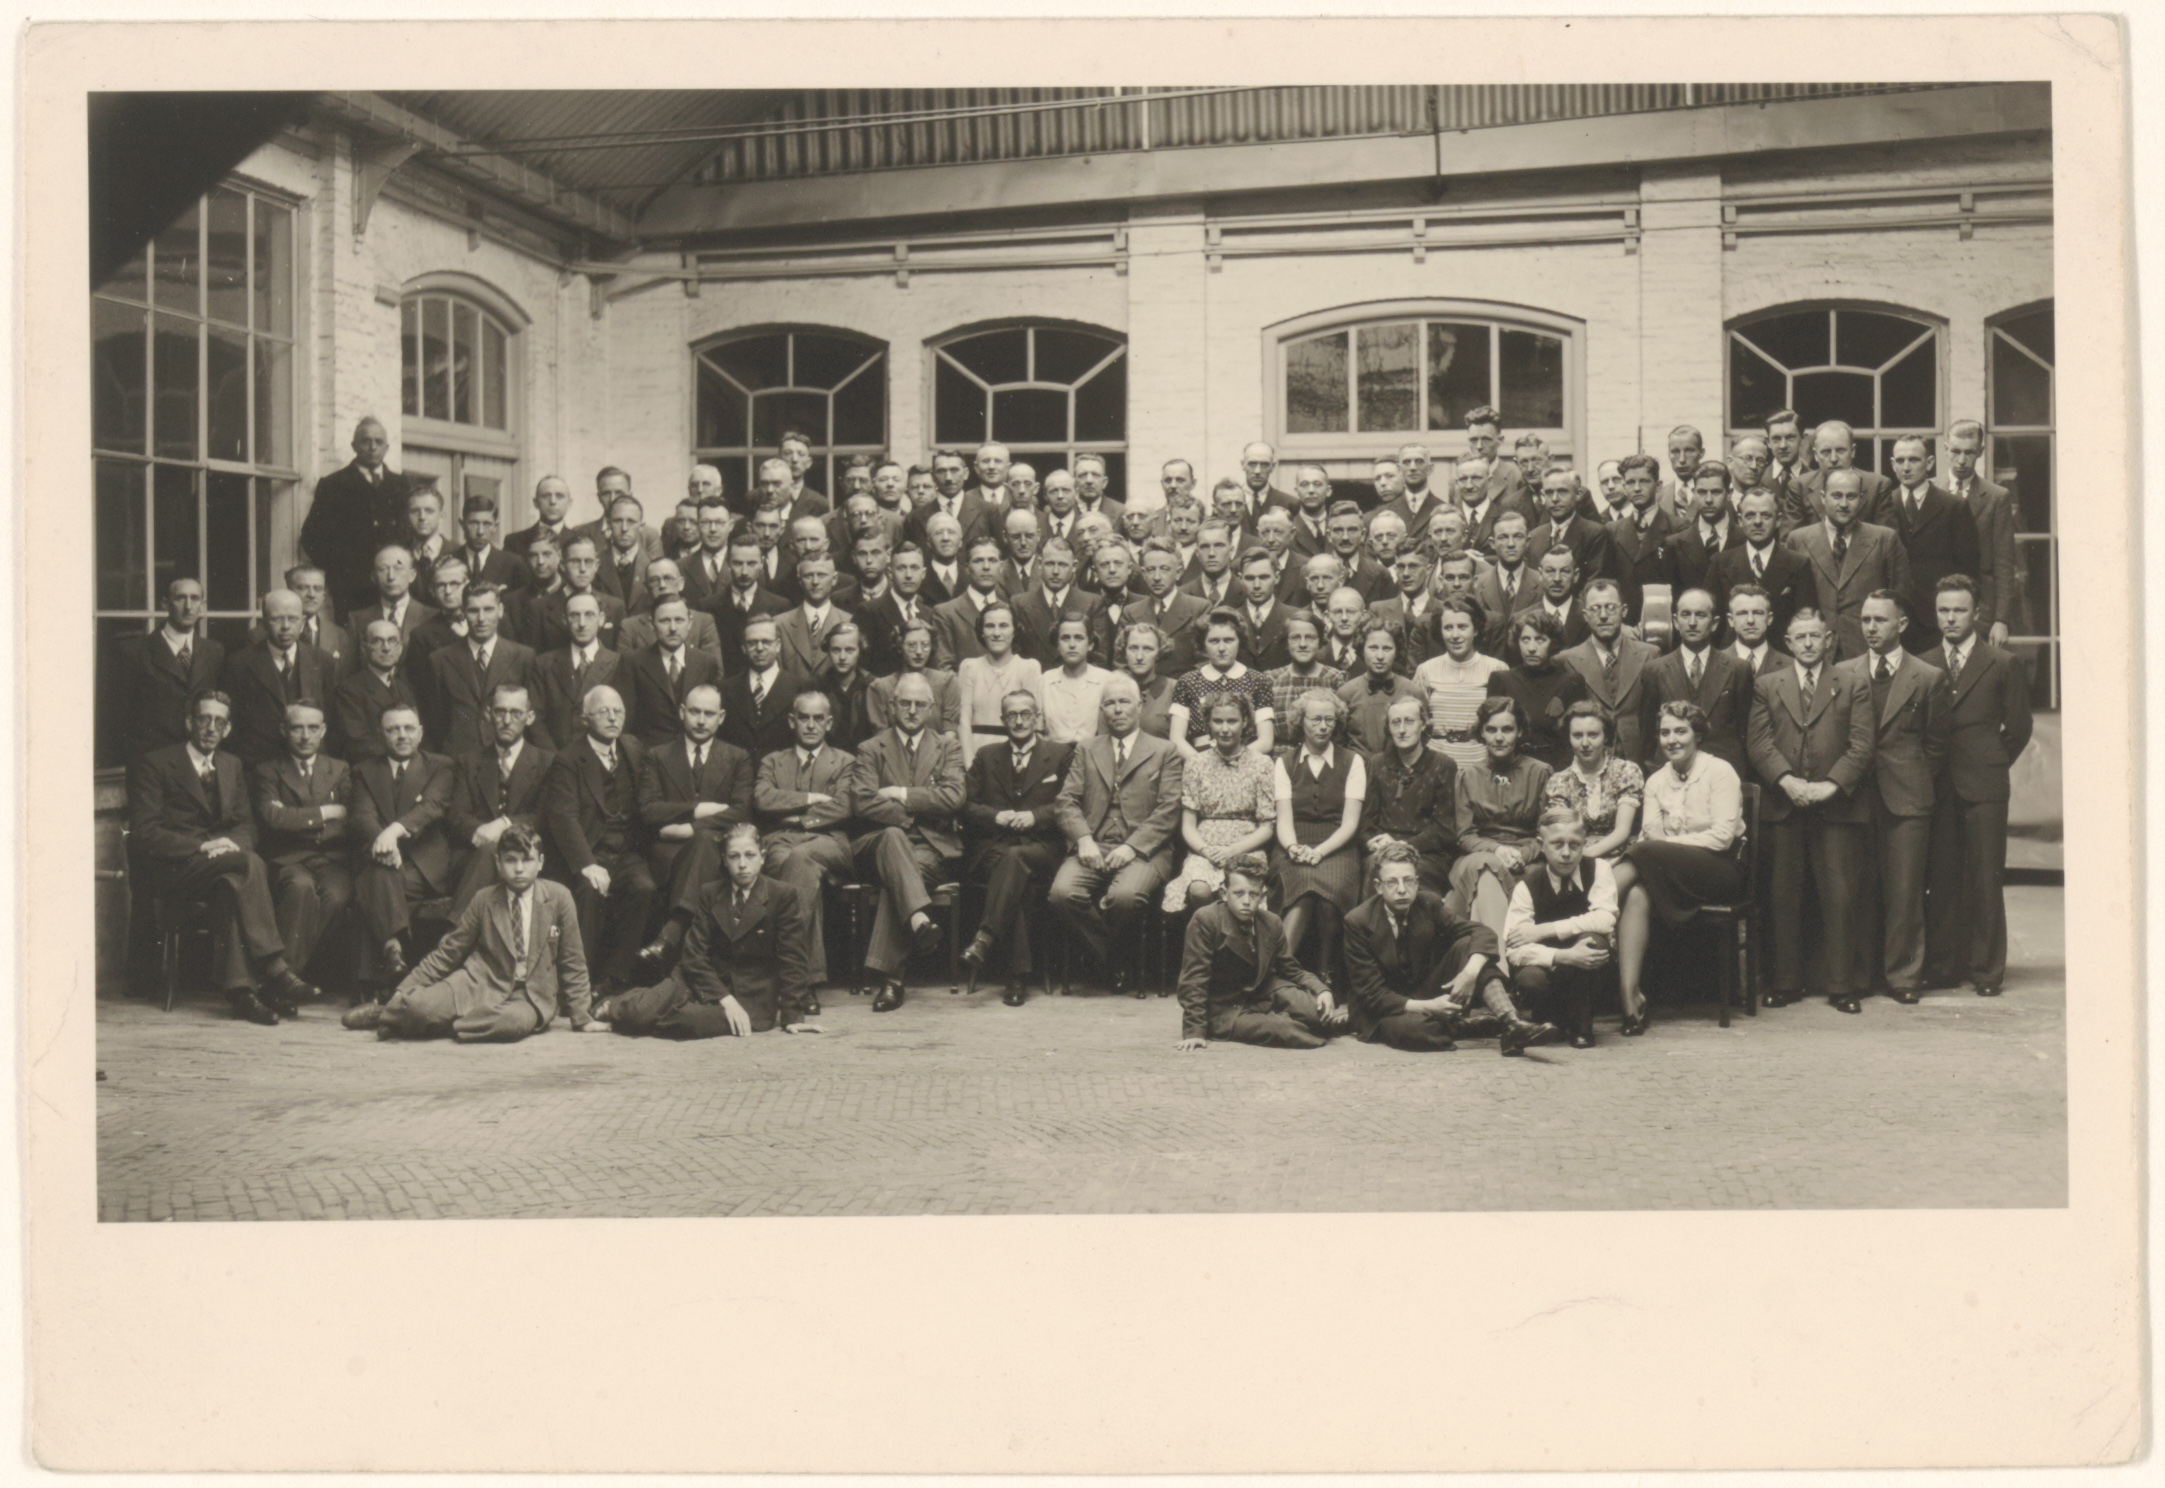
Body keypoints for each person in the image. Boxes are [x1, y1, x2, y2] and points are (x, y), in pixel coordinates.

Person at [347, 825, 598, 1042]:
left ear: (540, 862)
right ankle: (390, 1013)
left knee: (513, 1023)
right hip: (479, 982)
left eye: (527, 860)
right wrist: (403, 990)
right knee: (421, 1006)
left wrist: (582, 1018)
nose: (519, 869)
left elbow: (573, 960)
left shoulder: (559, 898)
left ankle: (429, 1024)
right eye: (511, 860)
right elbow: (448, 953)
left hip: (528, 996)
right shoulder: (484, 899)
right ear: (498, 864)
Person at [1747, 608, 1875, 1013]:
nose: (1807, 643)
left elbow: (1862, 744)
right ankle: (1786, 983)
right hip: (1784, 806)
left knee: (1840, 897)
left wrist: (1829, 786)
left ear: (1828, 640)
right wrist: (1786, 781)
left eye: (1814, 636)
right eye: (1799, 637)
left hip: (1837, 809)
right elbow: (1759, 743)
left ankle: (1842, 986)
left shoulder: (1852, 683)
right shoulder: (1767, 685)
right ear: (1787, 642)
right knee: (1784, 897)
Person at [598, 822, 818, 1038]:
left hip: (748, 997)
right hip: (700, 981)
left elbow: (793, 958)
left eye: (750, 855)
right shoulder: (710, 893)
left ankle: (645, 1018)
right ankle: (615, 1005)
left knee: (688, 1023)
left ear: (762, 857)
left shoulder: (782, 895)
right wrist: (725, 999)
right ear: (724, 860)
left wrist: (793, 1017)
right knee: (639, 1013)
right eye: (734, 856)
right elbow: (694, 955)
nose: (742, 864)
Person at [1838, 592, 1952, 1001]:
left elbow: (1936, 744)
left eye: (1880, 620)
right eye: (1865, 619)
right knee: (1858, 889)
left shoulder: (1929, 676)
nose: (1870, 627)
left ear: (1901, 625)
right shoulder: (1843, 672)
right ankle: (1860, 975)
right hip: (1854, 798)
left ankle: (1903, 977)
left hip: (1906, 799)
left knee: (1904, 892)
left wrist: (1911, 776)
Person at [1923, 575, 2033, 998]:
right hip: (1938, 785)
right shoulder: (1923, 662)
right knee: (1942, 878)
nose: (1950, 618)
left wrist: (1991, 760)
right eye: (1943, 610)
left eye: (1959, 610)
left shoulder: (2002, 663)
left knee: (1987, 878)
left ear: (1977, 613)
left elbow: (2019, 727)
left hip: (1985, 785)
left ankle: (1987, 970)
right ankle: (1945, 966)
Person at [1615, 701, 1749, 1035]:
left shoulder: (1719, 772)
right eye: (1665, 733)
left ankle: (1592, 913)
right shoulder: (1656, 781)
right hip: (1667, 870)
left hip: (1719, 871)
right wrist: (1661, 849)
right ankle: (1630, 998)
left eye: (1680, 731)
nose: (1671, 740)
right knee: (1636, 893)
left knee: (1643, 852)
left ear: (1698, 735)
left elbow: (1721, 838)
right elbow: (1650, 833)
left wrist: (1667, 847)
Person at [1052, 674, 1184, 996]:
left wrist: (1131, 847)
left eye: (1124, 702)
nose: (1118, 709)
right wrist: (1083, 839)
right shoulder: (1087, 748)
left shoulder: (1165, 750)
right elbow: (1066, 801)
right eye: (1110, 703)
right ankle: (1114, 958)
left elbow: (1169, 809)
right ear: (1102, 710)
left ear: (1139, 706)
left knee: (1124, 898)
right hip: (1093, 844)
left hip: (1145, 850)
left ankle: (1104, 958)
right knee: (1061, 894)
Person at [845, 674, 966, 1012]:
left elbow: (954, 797)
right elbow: (862, 801)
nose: (912, 710)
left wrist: (899, 793)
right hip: (877, 843)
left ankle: (892, 980)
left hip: (930, 849)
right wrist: (916, 812)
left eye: (920, 704)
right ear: (891, 706)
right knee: (894, 837)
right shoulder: (871, 748)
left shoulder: (948, 747)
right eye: (905, 703)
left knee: (896, 882)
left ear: (931, 708)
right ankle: (918, 922)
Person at [1343, 838, 1523, 1053]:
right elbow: (1373, 994)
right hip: (1383, 1007)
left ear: (1417, 883)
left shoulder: (1428, 903)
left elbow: (1482, 932)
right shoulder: (1358, 921)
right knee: (1415, 1032)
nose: (1402, 890)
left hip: (1421, 991)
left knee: (1470, 946)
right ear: (1378, 887)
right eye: (1391, 882)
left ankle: (1511, 1022)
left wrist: (1470, 973)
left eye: (1408, 881)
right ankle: (1463, 1027)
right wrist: (1429, 1006)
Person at [958, 690, 1076, 1005]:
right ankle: (1017, 977)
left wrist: (1036, 816)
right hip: (995, 847)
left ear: (1037, 718)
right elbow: (966, 805)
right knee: (1016, 879)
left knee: (1014, 863)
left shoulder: (1060, 754)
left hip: (1043, 849)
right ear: (1003, 720)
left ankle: (985, 939)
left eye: (1026, 714)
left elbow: (1071, 803)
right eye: (1012, 715)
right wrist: (995, 816)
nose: (1020, 721)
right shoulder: (986, 756)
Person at [540, 685, 655, 995]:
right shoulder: (567, 760)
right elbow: (563, 817)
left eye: (618, 711)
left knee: (644, 888)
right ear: (585, 718)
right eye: (604, 712)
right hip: (592, 851)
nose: (613, 718)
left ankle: (614, 979)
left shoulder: (632, 748)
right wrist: (587, 864)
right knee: (590, 892)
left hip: (626, 853)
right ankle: (580, 983)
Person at [634, 683, 756, 970]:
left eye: (709, 714)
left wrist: (690, 828)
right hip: (669, 851)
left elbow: (741, 811)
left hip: (714, 851)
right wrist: (697, 809)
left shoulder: (737, 757)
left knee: (704, 842)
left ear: (721, 717)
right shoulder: (657, 755)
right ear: (682, 712)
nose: (701, 720)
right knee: (703, 844)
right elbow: (649, 810)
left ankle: (671, 934)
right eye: (694, 712)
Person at [1172, 852, 1345, 1052]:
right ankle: (1298, 1024)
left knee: (1318, 1012)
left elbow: (1290, 969)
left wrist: (1321, 989)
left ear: (1262, 896)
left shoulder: (1271, 922)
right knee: (1288, 1030)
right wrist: (1194, 1031)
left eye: (1253, 894)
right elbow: (1194, 980)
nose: (1246, 901)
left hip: (1263, 992)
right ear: (1224, 893)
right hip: (1226, 1007)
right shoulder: (1206, 920)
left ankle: (1319, 1023)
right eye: (1238, 893)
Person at [753, 689, 856, 990]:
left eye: (818, 718)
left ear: (829, 723)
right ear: (791, 721)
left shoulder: (845, 762)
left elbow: (844, 806)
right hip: (781, 842)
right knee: (797, 866)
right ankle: (804, 980)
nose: (811, 725)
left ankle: (787, 975)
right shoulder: (772, 761)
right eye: (804, 718)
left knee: (798, 860)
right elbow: (762, 798)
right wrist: (811, 798)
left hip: (829, 843)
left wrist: (798, 819)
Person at [349, 703, 457, 991]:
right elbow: (362, 816)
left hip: (423, 868)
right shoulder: (364, 771)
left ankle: (377, 974)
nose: (402, 735)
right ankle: (394, 955)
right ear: (380, 734)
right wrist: (385, 846)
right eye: (393, 729)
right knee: (378, 873)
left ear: (420, 732)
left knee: (370, 885)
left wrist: (392, 833)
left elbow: (432, 807)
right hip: (384, 863)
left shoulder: (440, 766)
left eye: (409, 728)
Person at [248, 701, 353, 990]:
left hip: (331, 860)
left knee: (336, 897)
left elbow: (350, 819)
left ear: (323, 731)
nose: (305, 736)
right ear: (284, 730)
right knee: (300, 888)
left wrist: (294, 819)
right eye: (297, 728)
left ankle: (283, 976)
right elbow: (272, 819)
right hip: (288, 859)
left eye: (313, 728)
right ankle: (285, 980)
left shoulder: (339, 769)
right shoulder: (268, 771)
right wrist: (326, 812)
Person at [1271, 689, 1367, 998]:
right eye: (1315, 719)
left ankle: (1326, 975)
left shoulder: (1352, 761)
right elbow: (1283, 819)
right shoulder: (1285, 762)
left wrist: (1320, 851)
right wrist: (1292, 847)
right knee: (1300, 891)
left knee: (1330, 897)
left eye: (1329, 719)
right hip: (1294, 842)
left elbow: (1350, 823)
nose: (1323, 726)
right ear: (1301, 721)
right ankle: (1278, 971)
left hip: (1338, 845)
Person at [1502, 806, 1617, 1050]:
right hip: (1548, 966)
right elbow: (1514, 949)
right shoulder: (1527, 885)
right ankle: (1549, 1018)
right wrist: (1563, 956)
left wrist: (1544, 930)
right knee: (1530, 979)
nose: (1566, 853)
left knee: (1593, 943)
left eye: (1574, 845)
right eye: (1557, 844)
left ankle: (1582, 1025)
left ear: (1585, 843)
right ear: (1541, 845)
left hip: (1585, 972)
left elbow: (1605, 919)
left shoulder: (1598, 869)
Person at [445, 682, 555, 919]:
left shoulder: (547, 762)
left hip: (527, 854)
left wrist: (504, 825)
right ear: (488, 714)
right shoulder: (468, 761)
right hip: (473, 856)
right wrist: (481, 833)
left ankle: (456, 931)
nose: (507, 720)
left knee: (494, 851)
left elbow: (544, 816)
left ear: (529, 717)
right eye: (500, 712)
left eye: (516, 713)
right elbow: (457, 815)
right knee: (488, 853)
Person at [1160, 694, 1278, 913]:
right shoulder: (1196, 763)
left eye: (1232, 721)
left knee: (1242, 893)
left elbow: (1267, 827)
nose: (1224, 729)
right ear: (1208, 723)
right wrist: (1206, 851)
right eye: (1218, 721)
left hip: (1246, 846)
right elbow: (1188, 825)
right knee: (1199, 891)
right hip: (1206, 848)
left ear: (1245, 722)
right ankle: (1214, 930)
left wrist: (1232, 850)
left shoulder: (1262, 764)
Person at [1452, 696, 1553, 935]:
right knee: (1487, 867)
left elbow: (1547, 831)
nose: (1499, 737)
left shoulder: (1540, 772)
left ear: (1520, 732)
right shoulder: (1469, 776)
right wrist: (1497, 850)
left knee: (1483, 894)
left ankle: (1488, 955)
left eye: (1507, 729)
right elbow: (1464, 835)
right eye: (1491, 729)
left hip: (1528, 859)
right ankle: (1499, 955)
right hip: (1478, 855)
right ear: (1482, 733)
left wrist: (1522, 854)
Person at [1787, 469, 1912, 660]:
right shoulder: (1798, 540)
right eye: (1836, 496)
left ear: (1861, 499)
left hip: (1866, 651)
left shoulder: (1884, 539)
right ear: (1823, 497)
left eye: (1851, 496)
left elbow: (1901, 597)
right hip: (1815, 650)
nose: (1844, 504)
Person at [301, 417, 415, 619]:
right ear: (354, 446)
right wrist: (340, 573)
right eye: (366, 441)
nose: (372, 447)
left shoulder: (401, 485)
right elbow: (311, 538)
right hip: (352, 591)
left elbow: (411, 534)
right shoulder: (333, 485)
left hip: (395, 586)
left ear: (387, 447)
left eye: (378, 442)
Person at [1884, 435, 1983, 656]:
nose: (1906, 467)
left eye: (1914, 460)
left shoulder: (1954, 506)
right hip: (1895, 618)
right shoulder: (1884, 505)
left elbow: (1968, 569)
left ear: (1929, 463)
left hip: (1937, 618)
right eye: (1900, 460)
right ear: (1892, 464)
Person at [1639, 587, 1754, 775]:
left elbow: (1744, 732)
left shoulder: (1738, 669)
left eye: (1700, 615)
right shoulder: (1654, 670)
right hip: (1671, 772)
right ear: (1675, 621)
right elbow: (1648, 733)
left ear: (1714, 623)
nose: (1692, 623)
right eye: (1686, 615)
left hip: (1722, 773)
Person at [111, 577, 225, 761]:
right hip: (151, 761)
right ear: (165, 604)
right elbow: (118, 716)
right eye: (180, 598)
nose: (188, 606)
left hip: (199, 759)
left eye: (195, 598)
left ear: (202, 606)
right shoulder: (135, 651)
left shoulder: (214, 651)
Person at [1359, 694, 1459, 895]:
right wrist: (1374, 841)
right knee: (1375, 869)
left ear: (1423, 725)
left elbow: (1444, 829)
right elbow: (1366, 822)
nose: (1402, 729)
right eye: (1395, 723)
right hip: (1383, 851)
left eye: (1409, 721)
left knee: (1409, 876)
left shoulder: (1443, 765)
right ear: (1388, 728)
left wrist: (1405, 846)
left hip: (1426, 854)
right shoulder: (1376, 764)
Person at [220, 589, 334, 767]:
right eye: (277, 619)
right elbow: (234, 725)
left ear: (303, 621)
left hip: (309, 766)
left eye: (293, 619)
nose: (286, 626)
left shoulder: (322, 661)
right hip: (258, 765)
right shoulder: (240, 663)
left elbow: (330, 718)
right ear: (264, 622)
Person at [426, 585, 535, 757]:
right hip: (458, 757)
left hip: (506, 754)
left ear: (500, 611)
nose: (481, 618)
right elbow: (436, 720)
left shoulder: (523, 656)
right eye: (473, 611)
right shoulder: (440, 659)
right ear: (463, 612)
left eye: (488, 609)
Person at [1943, 420, 2021, 646]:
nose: (1961, 460)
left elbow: (2004, 563)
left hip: (1982, 612)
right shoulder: (1931, 492)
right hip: (1938, 612)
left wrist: (2001, 620)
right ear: (1946, 449)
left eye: (1969, 453)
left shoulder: (1997, 497)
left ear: (1980, 451)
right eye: (1956, 451)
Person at [1542, 700, 1644, 864]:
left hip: (1619, 858)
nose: (1585, 743)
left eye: (1593, 735)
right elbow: (1562, 833)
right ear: (1569, 738)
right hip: (1574, 858)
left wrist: (1588, 854)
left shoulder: (1626, 772)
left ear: (1606, 737)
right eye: (1577, 736)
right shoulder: (1560, 781)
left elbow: (1622, 831)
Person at [1485, 608, 1588, 771]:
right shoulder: (1502, 680)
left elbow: (1579, 735)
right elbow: (1491, 735)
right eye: (1525, 640)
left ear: (1553, 643)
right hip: (1512, 769)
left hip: (1557, 770)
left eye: (1540, 640)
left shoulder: (1570, 682)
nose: (1531, 648)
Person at [1411, 597, 1507, 771]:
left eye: (1462, 627)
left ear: (1475, 630)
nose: (1455, 635)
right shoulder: (1426, 670)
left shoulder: (1497, 669)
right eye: (1448, 628)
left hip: (1483, 764)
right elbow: (1416, 720)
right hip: (1436, 765)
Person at [1168, 609, 1278, 761]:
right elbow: (1176, 739)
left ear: (1239, 642)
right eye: (1214, 641)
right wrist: (1204, 764)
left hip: (1247, 760)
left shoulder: (1258, 680)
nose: (1221, 648)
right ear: (1203, 644)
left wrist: (1232, 762)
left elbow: (1266, 741)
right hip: (1200, 760)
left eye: (1228, 640)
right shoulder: (1188, 681)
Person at [952, 599, 1044, 767]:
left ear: (1015, 631)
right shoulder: (969, 667)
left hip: (1015, 755)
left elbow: (1031, 722)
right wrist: (971, 767)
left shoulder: (1028, 667)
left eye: (1003, 626)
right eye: (989, 626)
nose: (996, 633)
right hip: (976, 752)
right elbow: (964, 722)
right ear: (981, 632)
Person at [529, 593, 626, 751]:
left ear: (601, 619)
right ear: (564, 620)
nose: (582, 623)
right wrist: (554, 758)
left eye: (589, 615)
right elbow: (535, 719)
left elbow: (625, 720)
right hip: (555, 756)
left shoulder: (618, 664)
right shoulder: (544, 664)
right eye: (574, 615)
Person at [1336, 615, 1426, 756]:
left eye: (1387, 648)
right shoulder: (1346, 693)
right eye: (1373, 648)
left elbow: (1424, 738)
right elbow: (1338, 743)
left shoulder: (1413, 691)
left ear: (1396, 651)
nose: (1380, 656)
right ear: (1362, 649)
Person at [332, 620, 420, 763]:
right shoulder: (349, 690)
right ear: (364, 648)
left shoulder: (405, 688)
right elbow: (359, 742)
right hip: (375, 767)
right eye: (377, 641)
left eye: (392, 641)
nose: (386, 648)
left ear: (400, 648)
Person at [718, 616, 803, 760]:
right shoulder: (725, 689)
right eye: (752, 643)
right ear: (744, 648)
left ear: (778, 645)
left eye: (766, 642)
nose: (759, 648)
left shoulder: (800, 687)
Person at [1123, 539, 1210, 674]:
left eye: (1165, 569)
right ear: (1143, 574)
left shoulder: (1199, 608)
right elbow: (1122, 662)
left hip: (1183, 684)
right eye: (1151, 570)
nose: (1157, 577)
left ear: (1178, 573)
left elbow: (1205, 661)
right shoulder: (1131, 612)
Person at [867, 618, 964, 738]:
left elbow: (950, 731)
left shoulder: (947, 683)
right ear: (900, 646)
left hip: (938, 749)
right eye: (911, 645)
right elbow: (880, 736)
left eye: (925, 645)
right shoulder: (881, 687)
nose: (919, 651)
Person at [1262, 611, 1345, 733]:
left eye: (1310, 638)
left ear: (1320, 641)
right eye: (1295, 638)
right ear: (1286, 642)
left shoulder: (1335, 678)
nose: (1303, 644)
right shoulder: (1271, 680)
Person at [1039, 615, 1111, 745]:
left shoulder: (1106, 680)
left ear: (1090, 644)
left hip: (1092, 754)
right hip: (1053, 754)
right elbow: (1038, 729)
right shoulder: (1045, 681)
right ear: (1058, 645)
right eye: (1065, 638)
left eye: (1079, 638)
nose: (1072, 645)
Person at [450, 492, 531, 596]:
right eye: (474, 523)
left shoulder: (513, 564)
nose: (480, 531)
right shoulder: (450, 561)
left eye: (486, 524)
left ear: (495, 526)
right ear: (462, 524)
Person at [1113, 620, 1178, 740]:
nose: (1139, 657)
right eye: (1133, 648)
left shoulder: (1174, 689)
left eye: (1148, 649)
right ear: (1124, 651)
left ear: (1159, 653)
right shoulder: (1113, 688)